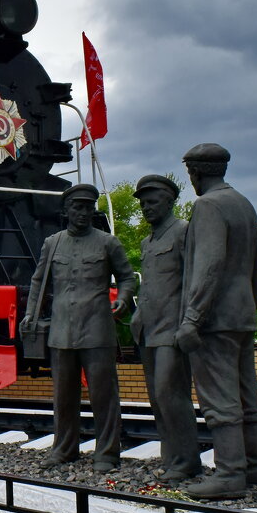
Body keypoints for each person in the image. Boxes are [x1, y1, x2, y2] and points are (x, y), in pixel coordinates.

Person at [22, 183, 136, 471]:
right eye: (78, 207)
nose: (84, 213)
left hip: (97, 330)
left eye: (88, 207)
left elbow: (127, 277)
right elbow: (38, 282)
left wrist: (123, 299)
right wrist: (30, 314)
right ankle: (64, 449)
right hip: (61, 331)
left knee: (103, 395)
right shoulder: (53, 243)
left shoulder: (108, 243)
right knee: (63, 396)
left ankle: (107, 453)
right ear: (67, 210)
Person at [175, 143, 257, 500]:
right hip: (241, 315)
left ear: (195, 172)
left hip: (214, 318)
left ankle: (230, 474)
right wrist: (249, 307)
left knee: (220, 398)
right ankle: (254, 467)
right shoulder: (244, 204)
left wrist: (192, 318)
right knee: (247, 396)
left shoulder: (208, 206)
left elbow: (208, 266)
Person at [130, 175, 200, 481]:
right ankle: (171, 458)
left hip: (172, 328)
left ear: (169, 202)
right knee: (158, 399)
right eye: (143, 204)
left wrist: (189, 323)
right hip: (148, 329)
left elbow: (194, 281)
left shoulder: (183, 232)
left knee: (171, 395)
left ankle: (187, 461)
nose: (146, 208)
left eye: (152, 202)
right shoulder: (147, 242)